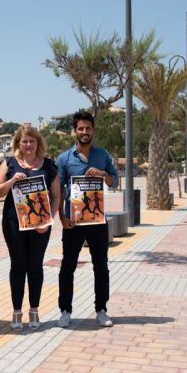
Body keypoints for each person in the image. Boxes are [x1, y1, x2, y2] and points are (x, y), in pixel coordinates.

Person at [56, 111, 119, 328]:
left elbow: (114, 182)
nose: (84, 132)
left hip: (97, 221)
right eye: (81, 128)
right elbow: (58, 192)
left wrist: (103, 174)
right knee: (67, 267)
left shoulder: (103, 155)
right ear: (75, 131)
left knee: (101, 267)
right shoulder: (64, 159)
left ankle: (101, 309)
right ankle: (65, 310)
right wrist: (62, 217)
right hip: (73, 222)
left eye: (88, 128)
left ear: (93, 131)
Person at [0, 125, 60, 332]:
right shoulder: (10, 163)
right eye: (24, 141)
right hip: (14, 222)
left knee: (35, 266)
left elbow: (57, 196)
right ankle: (16, 311)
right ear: (18, 144)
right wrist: (12, 180)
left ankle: (34, 309)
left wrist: (49, 219)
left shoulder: (49, 165)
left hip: (40, 224)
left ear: (38, 143)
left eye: (32, 141)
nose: (28, 145)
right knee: (17, 266)